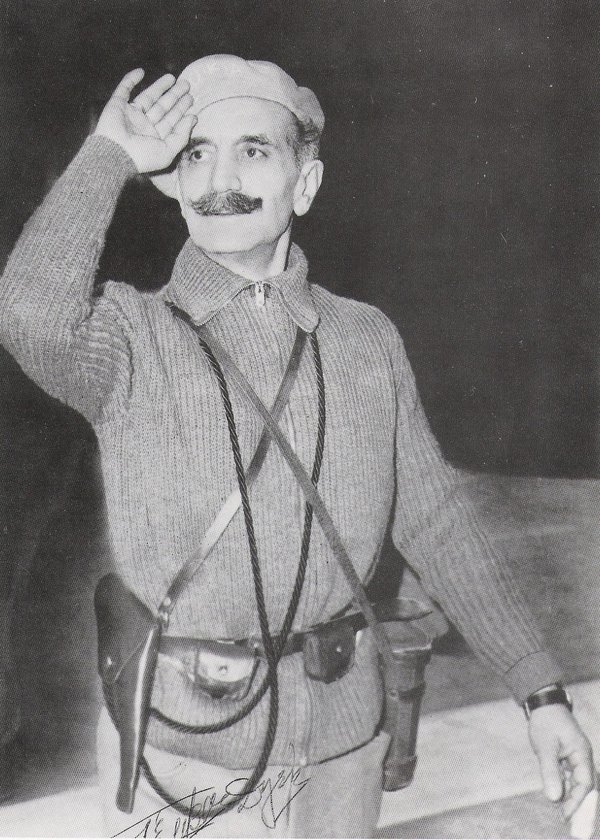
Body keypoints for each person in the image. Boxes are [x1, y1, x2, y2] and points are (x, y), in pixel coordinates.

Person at [0, 54, 595, 838]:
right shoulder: (128, 337)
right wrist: (108, 155)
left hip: (342, 748)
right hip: (186, 753)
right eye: (196, 154)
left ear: (304, 184)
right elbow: (29, 315)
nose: (220, 179)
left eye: (253, 150)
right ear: (174, 182)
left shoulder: (366, 339)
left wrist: (540, 692)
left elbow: (438, 523)